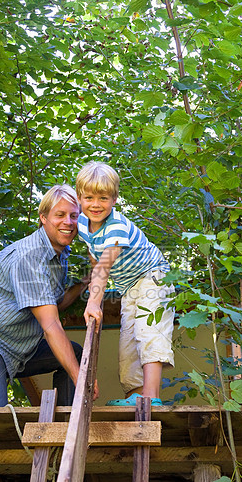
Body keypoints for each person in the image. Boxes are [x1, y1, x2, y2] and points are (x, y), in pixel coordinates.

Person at [0, 184, 98, 408]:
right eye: (60, 215)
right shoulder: (30, 257)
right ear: (44, 217)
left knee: (76, 356)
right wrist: (80, 377)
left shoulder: (59, 255)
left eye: (74, 216)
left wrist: (88, 280)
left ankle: (66, 422)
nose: (68, 222)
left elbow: (55, 305)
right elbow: (51, 325)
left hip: (17, 345)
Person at [76, 162, 174, 407]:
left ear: (115, 198)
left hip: (153, 277)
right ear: (79, 198)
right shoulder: (80, 223)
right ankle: (137, 395)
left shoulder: (117, 226)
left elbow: (105, 265)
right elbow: (95, 256)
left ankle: (151, 396)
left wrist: (94, 302)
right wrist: (94, 283)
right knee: (128, 340)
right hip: (129, 287)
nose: (96, 204)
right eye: (89, 197)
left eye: (103, 198)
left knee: (148, 330)